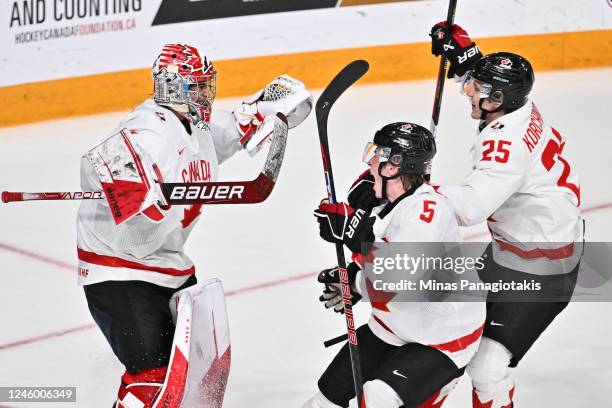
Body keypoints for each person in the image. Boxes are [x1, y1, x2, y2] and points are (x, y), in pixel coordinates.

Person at [76, 43, 311, 407]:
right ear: (172, 88)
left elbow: (233, 129)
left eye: (206, 85)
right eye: (196, 87)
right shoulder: (150, 128)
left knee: (188, 378)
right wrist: (130, 182)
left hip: (170, 266)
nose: (205, 94)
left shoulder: (195, 125)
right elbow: (99, 163)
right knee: (151, 380)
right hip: (120, 272)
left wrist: (269, 106)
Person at [429, 23, 582, 407]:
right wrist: (468, 57)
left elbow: (470, 208)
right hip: (513, 250)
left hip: (545, 266)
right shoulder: (520, 104)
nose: (469, 94)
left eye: (476, 90)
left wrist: (410, 188)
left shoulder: (505, 144)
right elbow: (498, 85)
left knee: (487, 368)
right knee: (444, 352)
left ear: (498, 99)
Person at [304, 122, 486, 408]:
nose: (370, 161)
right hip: (393, 326)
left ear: (393, 166)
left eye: (377, 154)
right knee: (325, 397)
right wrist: (355, 281)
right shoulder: (383, 199)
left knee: (377, 399)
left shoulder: (430, 212)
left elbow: (398, 276)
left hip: (442, 339)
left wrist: (355, 237)